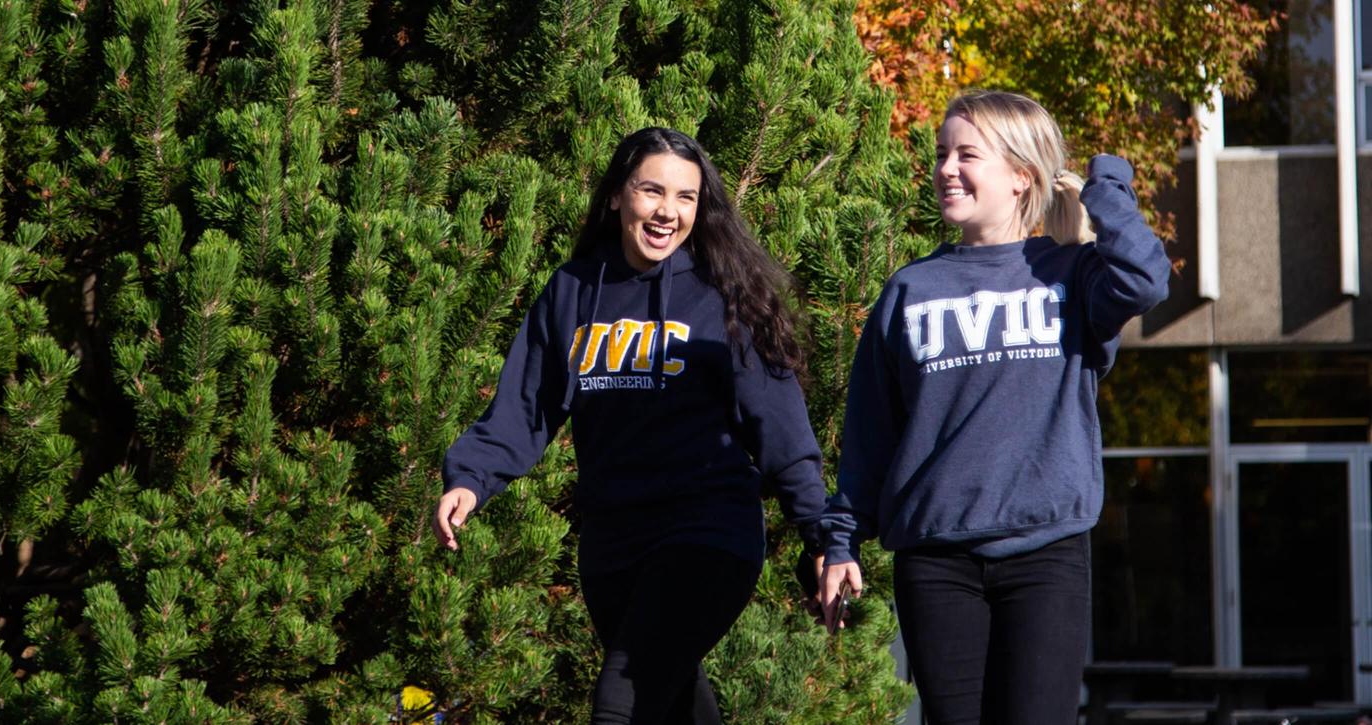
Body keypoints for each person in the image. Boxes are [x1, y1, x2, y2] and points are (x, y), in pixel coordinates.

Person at [432, 126, 831, 724]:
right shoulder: (572, 292)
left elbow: (780, 427)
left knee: (621, 703)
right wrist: (471, 478)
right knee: (671, 704)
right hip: (612, 546)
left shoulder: (722, 295)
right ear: (619, 195)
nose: (668, 212)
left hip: (707, 531)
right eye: (652, 191)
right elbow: (526, 406)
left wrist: (822, 533)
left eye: (686, 198)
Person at [816, 90, 1171, 724]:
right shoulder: (909, 290)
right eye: (942, 154)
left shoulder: (1073, 275)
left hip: (1046, 556)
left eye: (967, 154)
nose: (947, 168)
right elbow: (871, 436)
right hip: (935, 563)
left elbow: (1145, 277)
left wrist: (1107, 184)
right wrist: (841, 543)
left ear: (1020, 177)